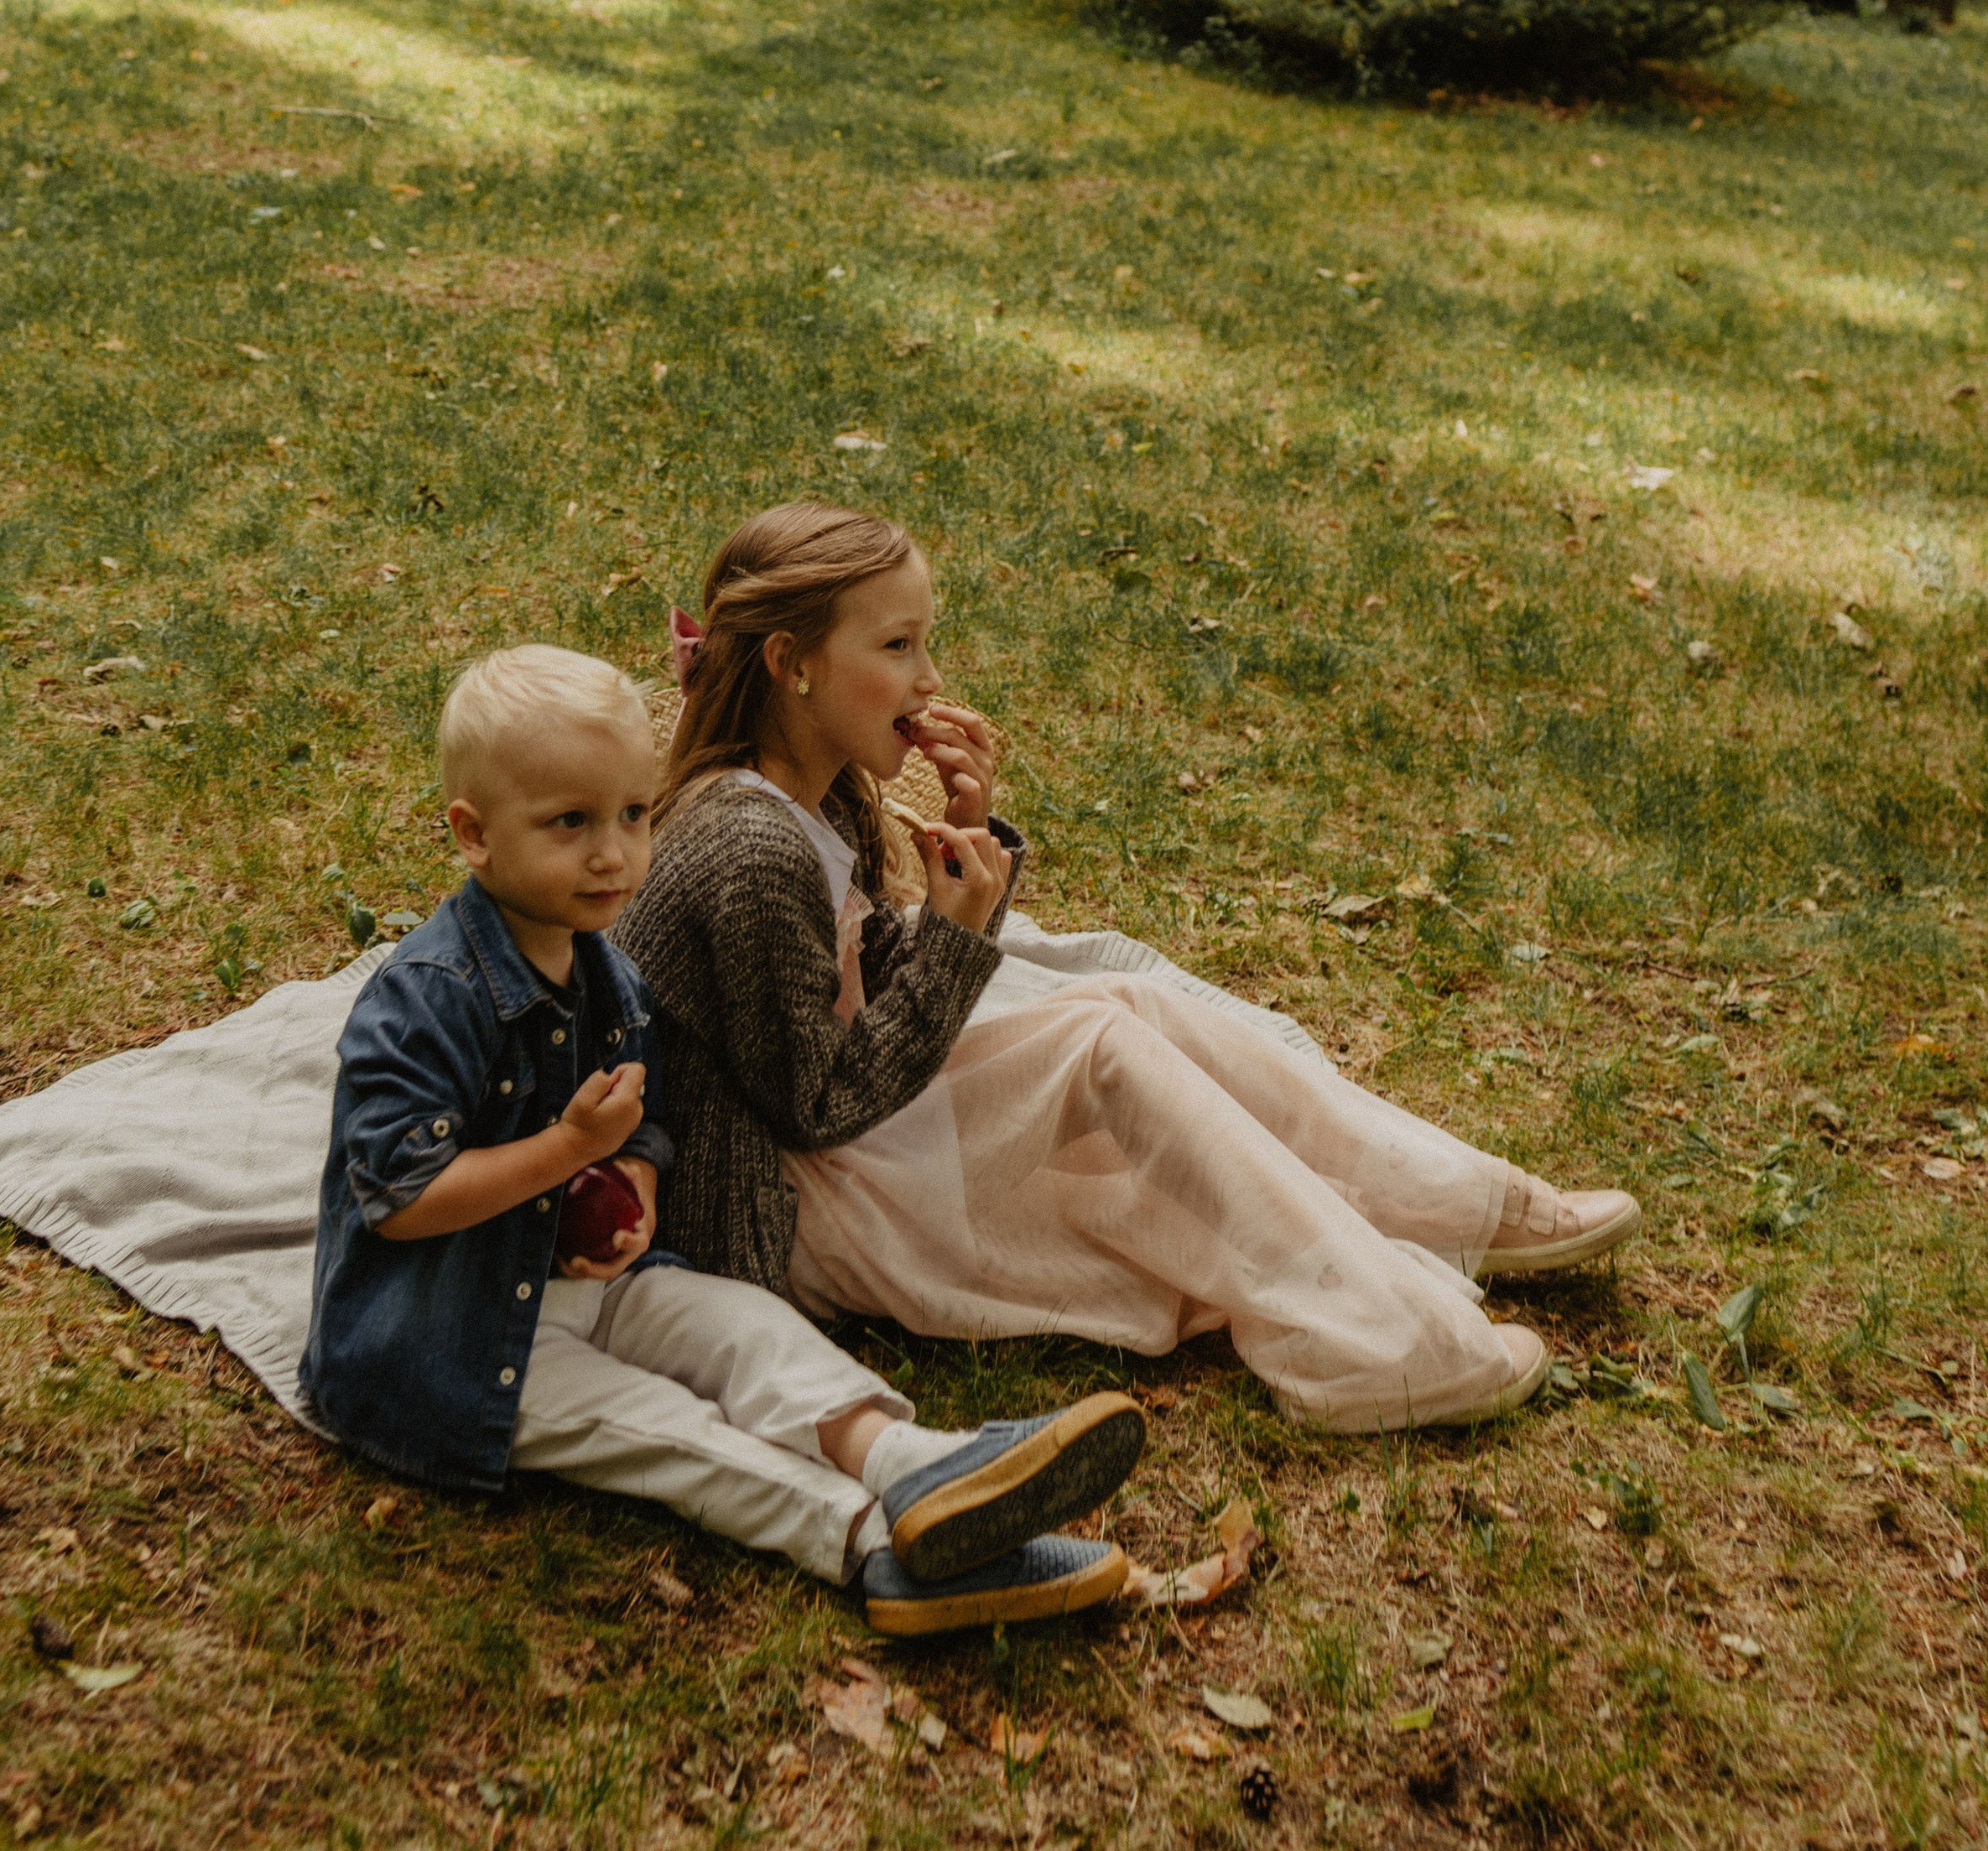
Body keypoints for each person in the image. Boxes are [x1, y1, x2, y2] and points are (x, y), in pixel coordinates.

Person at [618, 505, 1644, 1438]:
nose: (930, 679)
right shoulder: (742, 845)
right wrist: (960, 939)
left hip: (842, 1136)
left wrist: (966, 857)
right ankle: (1384, 1350)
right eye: (898, 647)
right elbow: (818, 1102)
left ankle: (1453, 1205)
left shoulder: (820, 788)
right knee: (1094, 1042)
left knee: (1126, 1002)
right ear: (793, 665)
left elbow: (869, 974)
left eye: (925, 641)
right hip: (782, 1201)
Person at [299, 642, 1148, 1635]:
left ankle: (910, 1462)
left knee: (745, 1331)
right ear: (474, 835)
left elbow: (643, 1118)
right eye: (569, 824)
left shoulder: (603, 970)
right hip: (447, 1339)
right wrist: (569, 1151)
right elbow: (400, 1201)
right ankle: (875, 1548)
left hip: (584, 1279)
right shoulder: (424, 1000)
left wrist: (634, 1181)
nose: (612, 853)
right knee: (670, 1431)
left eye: (630, 814)